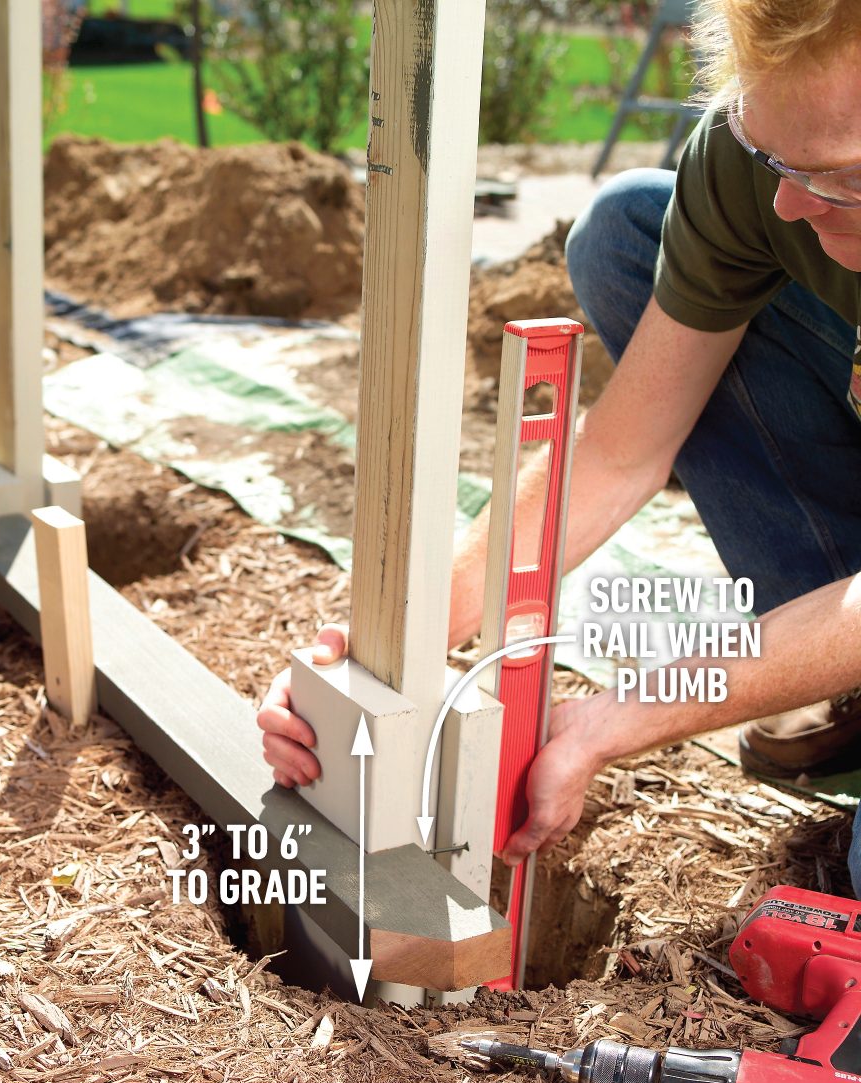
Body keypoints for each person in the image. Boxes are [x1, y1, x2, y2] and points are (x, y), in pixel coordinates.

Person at [258, 0, 861, 898]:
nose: (785, 199)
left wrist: (615, 717)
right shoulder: (760, 171)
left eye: (834, 177)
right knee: (630, 229)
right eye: (774, 155)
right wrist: (399, 642)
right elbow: (622, 453)